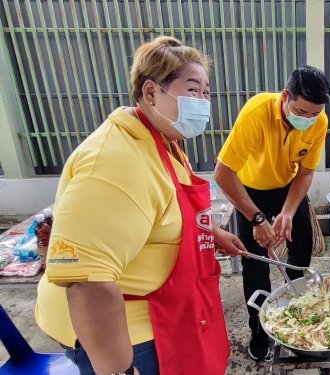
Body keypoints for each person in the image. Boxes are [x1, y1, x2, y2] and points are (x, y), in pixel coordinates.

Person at [35, 36, 247, 375]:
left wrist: (215, 233)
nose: (203, 101)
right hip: (121, 335)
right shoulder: (114, 161)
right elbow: (86, 283)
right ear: (151, 93)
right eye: (193, 90)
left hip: (167, 313)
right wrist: (119, 368)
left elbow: (164, 211)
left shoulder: (163, 140)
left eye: (207, 92)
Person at [213, 65, 330, 361]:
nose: (308, 120)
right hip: (249, 193)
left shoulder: (319, 121)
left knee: (300, 252)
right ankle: (259, 331)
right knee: (256, 264)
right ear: (284, 97)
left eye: (314, 114)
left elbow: (305, 173)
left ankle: (299, 314)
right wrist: (256, 218)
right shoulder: (257, 113)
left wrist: (289, 212)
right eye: (301, 112)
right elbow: (224, 174)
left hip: (288, 189)